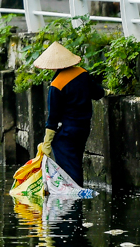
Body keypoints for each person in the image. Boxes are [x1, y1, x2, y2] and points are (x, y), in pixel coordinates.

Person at [34, 42, 104, 187]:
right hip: (83, 128)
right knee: (76, 162)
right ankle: (78, 192)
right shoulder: (82, 73)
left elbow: (53, 118)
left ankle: (75, 194)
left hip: (66, 132)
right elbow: (98, 93)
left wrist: (47, 143)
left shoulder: (56, 85)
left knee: (69, 169)